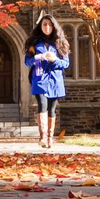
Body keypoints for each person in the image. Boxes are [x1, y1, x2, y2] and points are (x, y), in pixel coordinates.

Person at [25, 14, 70, 148]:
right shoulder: (34, 43)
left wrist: (55, 60)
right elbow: (27, 61)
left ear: (54, 26)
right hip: (39, 79)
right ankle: (43, 137)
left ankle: (50, 138)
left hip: (55, 80)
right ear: (40, 26)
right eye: (44, 24)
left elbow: (65, 64)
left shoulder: (61, 43)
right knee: (42, 105)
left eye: (50, 25)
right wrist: (38, 57)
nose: (47, 27)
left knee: (52, 109)